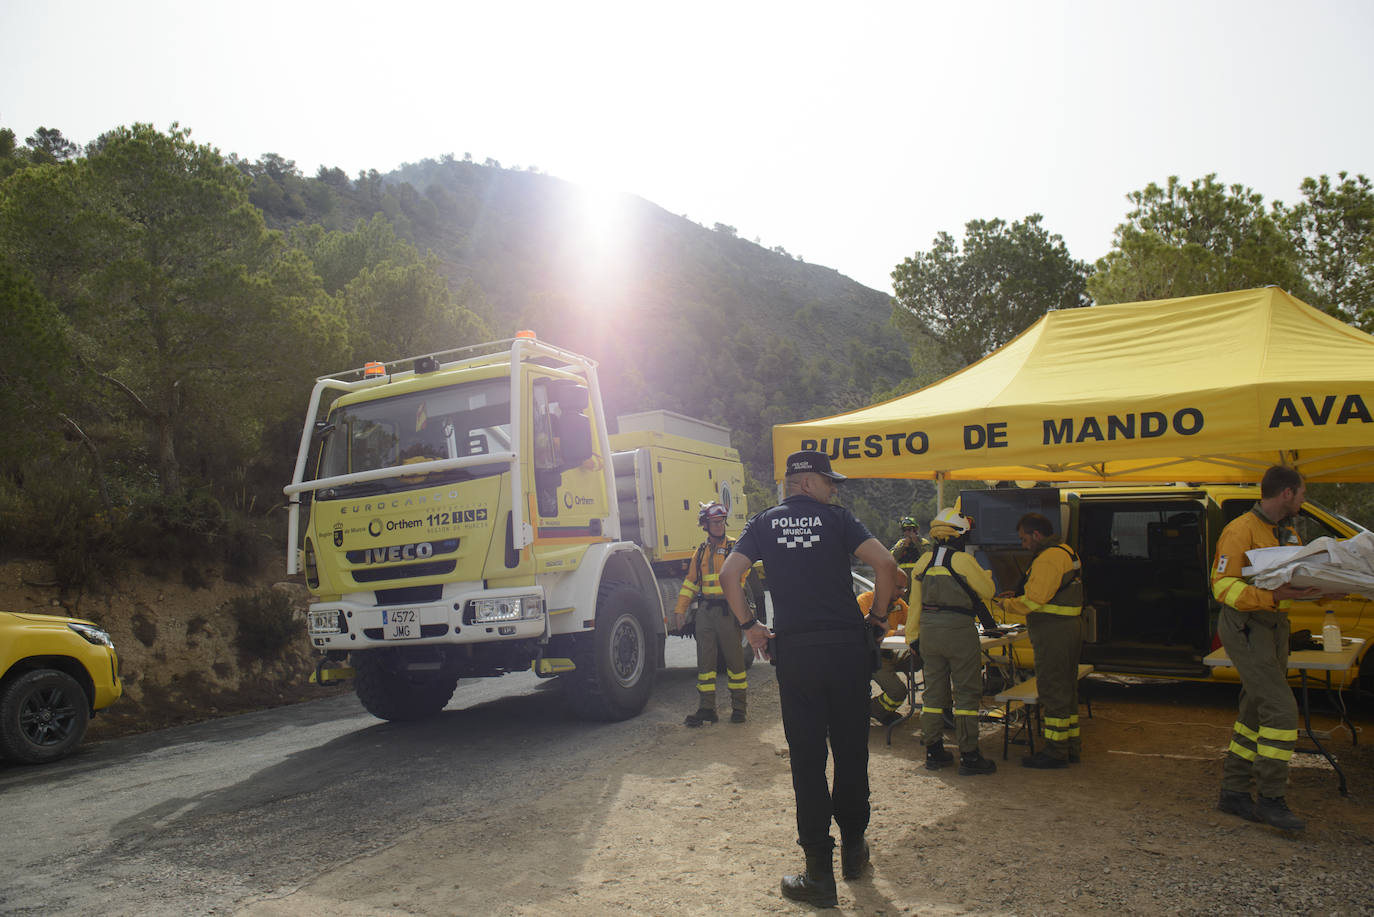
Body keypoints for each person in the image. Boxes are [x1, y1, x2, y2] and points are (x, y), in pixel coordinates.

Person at [720, 450, 902, 908]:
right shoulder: (839, 520)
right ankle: (855, 853)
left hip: (798, 653)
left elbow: (729, 574)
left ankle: (819, 875)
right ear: (805, 482)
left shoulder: (764, 523)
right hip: (846, 651)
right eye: (828, 481)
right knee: (851, 751)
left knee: (807, 760)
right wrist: (879, 618)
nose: (834, 488)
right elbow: (887, 567)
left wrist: (751, 626)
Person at [1211, 465, 1323, 831]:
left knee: (1255, 709)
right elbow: (1221, 586)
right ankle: (1271, 798)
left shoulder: (1287, 532)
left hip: (1275, 628)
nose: (1303, 499)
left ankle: (1234, 791)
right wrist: (1270, 596)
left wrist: (1325, 591)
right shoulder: (1239, 530)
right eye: (1302, 493)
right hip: (1246, 626)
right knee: (1281, 710)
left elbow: (1295, 579)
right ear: (1286, 493)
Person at [906, 508, 999, 776]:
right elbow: (989, 591)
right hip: (959, 632)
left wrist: (913, 637)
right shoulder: (964, 561)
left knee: (933, 694)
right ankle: (969, 755)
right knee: (966, 693)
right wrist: (986, 575)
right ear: (959, 535)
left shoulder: (923, 562)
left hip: (929, 633)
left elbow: (915, 604)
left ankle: (934, 752)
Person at [995, 512, 1084, 769]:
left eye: (1024, 539)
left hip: (1053, 631)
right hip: (1069, 628)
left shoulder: (1047, 558)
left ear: (1036, 534)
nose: (1023, 545)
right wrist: (1019, 594)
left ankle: (1055, 752)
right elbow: (1051, 590)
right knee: (1067, 689)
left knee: (1052, 688)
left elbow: (1034, 601)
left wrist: (1007, 604)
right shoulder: (1066, 551)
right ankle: (1071, 746)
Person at [673, 501, 749, 726]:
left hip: (727, 611)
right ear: (705, 525)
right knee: (705, 664)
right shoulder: (700, 552)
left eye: (721, 522)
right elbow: (691, 583)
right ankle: (707, 709)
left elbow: (742, 576)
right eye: (714, 522)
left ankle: (739, 709)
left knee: (735, 662)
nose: (719, 526)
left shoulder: (735, 547)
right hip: (705, 612)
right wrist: (680, 610)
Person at [855, 590, 909, 725]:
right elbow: (866, 632)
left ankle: (879, 710)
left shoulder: (898, 603)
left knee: (922, 657)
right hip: (871, 656)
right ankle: (873, 709)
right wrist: (895, 633)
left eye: (903, 589)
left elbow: (913, 621)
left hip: (890, 653)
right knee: (897, 692)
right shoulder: (864, 601)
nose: (902, 592)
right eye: (898, 588)